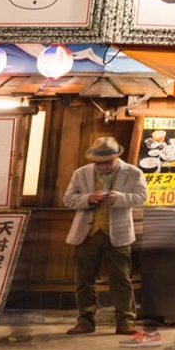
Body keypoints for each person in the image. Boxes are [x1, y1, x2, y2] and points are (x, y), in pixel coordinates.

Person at [62, 136, 147, 337]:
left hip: (118, 233)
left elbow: (142, 197)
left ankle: (126, 321)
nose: (102, 167)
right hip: (85, 233)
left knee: (121, 279)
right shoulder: (81, 173)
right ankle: (85, 321)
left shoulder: (133, 173)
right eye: (98, 163)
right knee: (84, 279)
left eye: (107, 162)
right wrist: (88, 198)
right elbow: (68, 199)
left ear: (117, 157)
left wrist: (119, 198)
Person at [127, 200, 175, 346]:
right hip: (160, 235)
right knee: (153, 283)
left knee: (154, 283)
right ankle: (152, 331)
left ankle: (152, 332)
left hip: (163, 236)